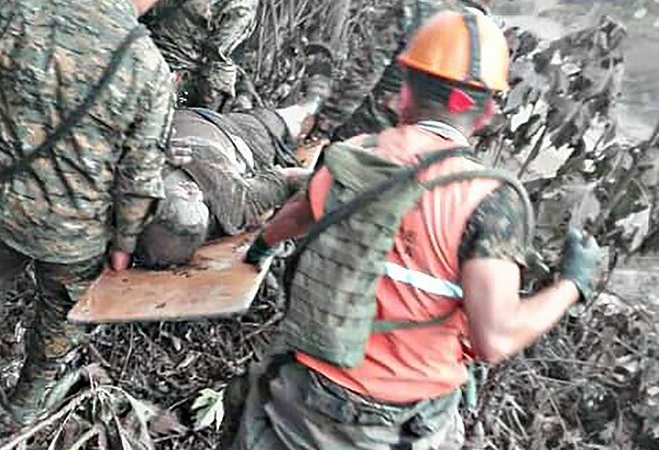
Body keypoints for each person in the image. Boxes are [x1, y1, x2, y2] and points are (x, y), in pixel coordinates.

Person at [226, 10, 600, 450]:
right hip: (400, 418)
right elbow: (494, 339)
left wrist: (259, 251)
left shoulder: (351, 156)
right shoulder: (488, 199)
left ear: (405, 90)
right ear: (487, 110)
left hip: (306, 393)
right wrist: (572, 285)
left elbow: (292, 218)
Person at [0, 0, 173, 424]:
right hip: (74, 232)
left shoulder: (20, 10)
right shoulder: (148, 65)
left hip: (0, 198)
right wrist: (125, 243)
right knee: (60, 316)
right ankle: (20, 412)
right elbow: (140, 176)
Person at [136, 70, 332, 268]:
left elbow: (297, 179)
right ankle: (306, 103)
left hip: (218, 126)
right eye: (195, 198)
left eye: (183, 193)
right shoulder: (233, 203)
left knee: (284, 120)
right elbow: (297, 179)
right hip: (233, 133)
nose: (191, 190)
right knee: (283, 123)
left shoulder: (135, 178)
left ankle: (309, 103)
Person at [313, 0, 494, 141]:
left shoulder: (417, 8)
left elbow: (364, 74)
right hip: (430, 154)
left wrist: (323, 126)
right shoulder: (491, 37)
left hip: (368, 133)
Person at [142, 0, 259, 110]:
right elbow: (218, 63)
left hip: (138, 57)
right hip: (173, 82)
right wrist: (210, 111)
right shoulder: (242, 5)